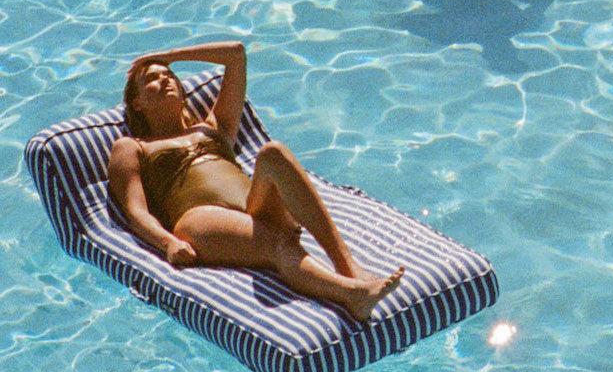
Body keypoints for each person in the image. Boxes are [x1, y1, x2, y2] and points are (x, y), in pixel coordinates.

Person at [107, 40, 403, 321]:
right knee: (277, 243)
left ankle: (348, 267)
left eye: (170, 75)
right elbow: (136, 212)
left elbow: (236, 54)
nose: (166, 79)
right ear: (137, 104)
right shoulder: (133, 146)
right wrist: (168, 242)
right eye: (154, 79)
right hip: (198, 220)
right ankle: (351, 294)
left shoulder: (213, 128)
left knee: (273, 152)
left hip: (253, 208)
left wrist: (171, 55)